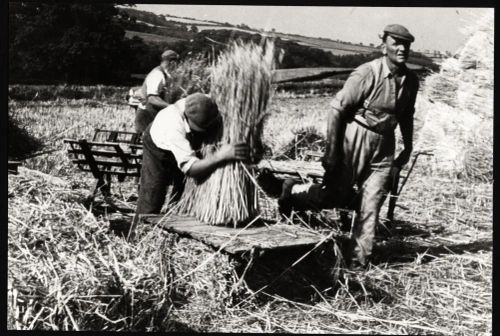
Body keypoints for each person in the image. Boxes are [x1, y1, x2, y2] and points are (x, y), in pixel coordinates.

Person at [278, 24, 420, 269]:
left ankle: (358, 261)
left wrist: (407, 146)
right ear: (383, 45)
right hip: (355, 136)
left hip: (385, 142)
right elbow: (337, 110)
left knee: (372, 202)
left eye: (405, 44)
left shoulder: (411, 80)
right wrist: (332, 151)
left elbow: (406, 115)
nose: (401, 48)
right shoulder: (367, 73)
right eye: (395, 43)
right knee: (335, 195)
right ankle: (295, 194)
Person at [135, 92, 250, 215]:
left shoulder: (203, 102)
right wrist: (221, 155)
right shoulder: (172, 127)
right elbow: (191, 169)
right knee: (153, 192)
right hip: (158, 147)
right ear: (188, 120)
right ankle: (140, 228)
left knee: (184, 188)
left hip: (186, 135)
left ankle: (178, 212)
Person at [135, 49, 180, 134]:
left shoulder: (164, 74)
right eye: (177, 63)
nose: (177, 66)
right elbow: (152, 99)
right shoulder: (157, 75)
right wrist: (171, 107)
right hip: (147, 115)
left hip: (152, 114)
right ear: (172, 62)